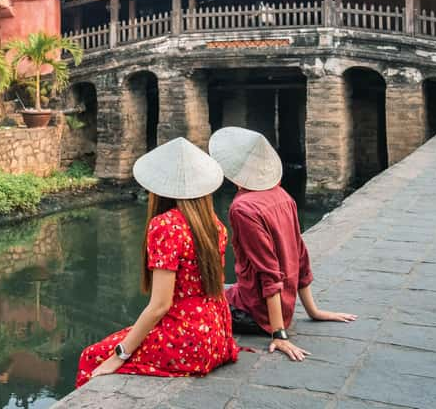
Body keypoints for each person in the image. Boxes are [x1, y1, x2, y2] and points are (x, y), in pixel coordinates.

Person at [76, 137, 239, 387]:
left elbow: (160, 305)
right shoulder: (213, 224)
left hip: (187, 341)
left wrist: (120, 355)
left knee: (92, 356)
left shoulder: (166, 226)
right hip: (218, 336)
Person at [209, 127, 357, 361]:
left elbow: (268, 271)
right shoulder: (283, 196)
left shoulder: (243, 208)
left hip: (256, 313)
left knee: (193, 304)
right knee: (223, 289)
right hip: (275, 305)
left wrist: (278, 334)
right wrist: (313, 311)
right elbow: (300, 256)